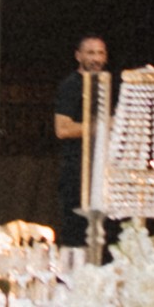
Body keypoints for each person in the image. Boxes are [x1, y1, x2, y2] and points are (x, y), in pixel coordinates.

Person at [52, 34, 111, 242]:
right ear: (78, 56)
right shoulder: (70, 86)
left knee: (106, 232)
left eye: (100, 53)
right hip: (77, 170)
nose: (96, 58)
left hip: (103, 170)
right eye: (90, 53)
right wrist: (103, 126)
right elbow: (62, 129)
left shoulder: (106, 85)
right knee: (76, 231)